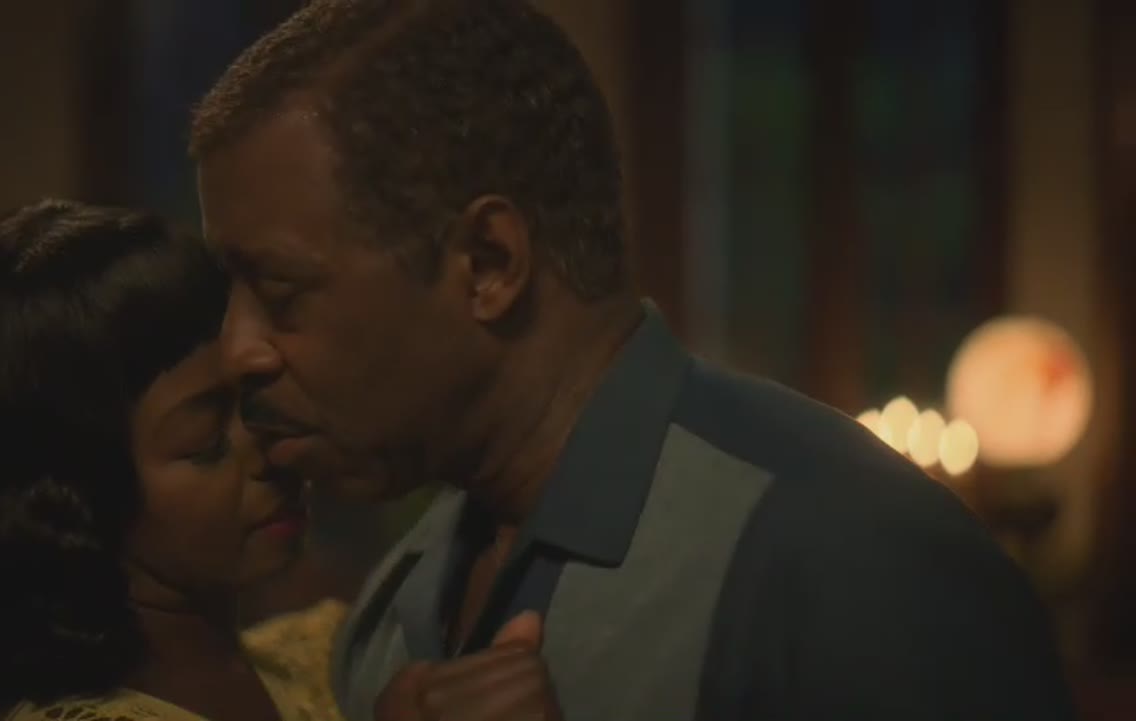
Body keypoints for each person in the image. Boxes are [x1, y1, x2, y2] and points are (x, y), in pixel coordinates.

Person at [190, 1, 1078, 719]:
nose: (237, 352)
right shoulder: (398, 600)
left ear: (489, 263)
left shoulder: (856, 567)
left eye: (281, 291)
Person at [0, 199, 345, 721]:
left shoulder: (329, 660)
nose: (270, 454)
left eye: (259, 405)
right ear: (75, 492)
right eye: (206, 444)